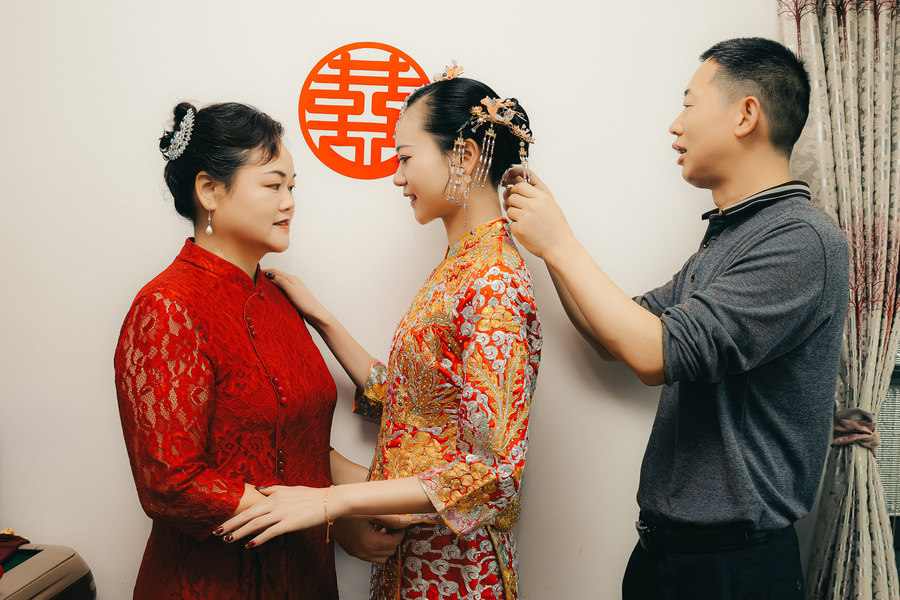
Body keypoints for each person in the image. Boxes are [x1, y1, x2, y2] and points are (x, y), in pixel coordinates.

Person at [503, 38, 850, 599]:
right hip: (668, 555)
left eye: (689, 104)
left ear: (745, 115)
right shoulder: (732, 236)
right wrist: (550, 248)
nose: (675, 125)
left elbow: (653, 354)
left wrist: (561, 243)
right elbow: (614, 336)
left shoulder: (802, 240)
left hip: (734, 569)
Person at [218, 71, 542, 600]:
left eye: (406, 158)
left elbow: (494, 472)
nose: (397, 177)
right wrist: (322, 319)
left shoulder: (495, 281)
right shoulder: (463, 265)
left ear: (462, 156)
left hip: (456, 568)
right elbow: (417, 405)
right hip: (417, 554)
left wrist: (332, 502)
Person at [114, 101, 404, 600]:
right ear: (209, 190)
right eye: (273, 186)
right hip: (214, 582)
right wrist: (328, 514)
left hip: (306, 576)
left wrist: (369, 499)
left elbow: (293, 443)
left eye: (292, 187)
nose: (289, 202)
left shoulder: (278, 295)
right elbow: (170, 481)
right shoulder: (168, 305)